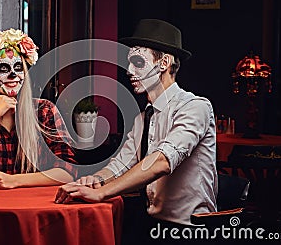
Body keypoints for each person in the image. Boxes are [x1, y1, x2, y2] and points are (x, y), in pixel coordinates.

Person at [55, 19, 217, 243]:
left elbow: (162, 161)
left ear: (164, 63)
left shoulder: (195, 106)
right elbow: (121, 165)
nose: (129, 71)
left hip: (190, 230)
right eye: (129, 62)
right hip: (153, 226)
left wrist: (102, 192)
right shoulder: (143, 118)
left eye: (138, 62)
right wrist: (93, 180)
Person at [0, 28, 78, 189]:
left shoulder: (44, 111)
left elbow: (67, 172)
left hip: (33, 206)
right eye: (4, 69)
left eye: (19, 68)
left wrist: (15, 181)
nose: (13, 75)